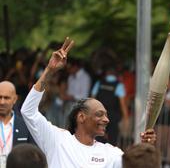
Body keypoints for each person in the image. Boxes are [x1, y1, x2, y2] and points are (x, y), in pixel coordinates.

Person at [21, 37, 156, 168]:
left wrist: (146, 147)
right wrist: (49, 71)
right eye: (100, 114)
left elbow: (135, 164)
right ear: (81, 117)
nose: (106, 120)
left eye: (106, 115)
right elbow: (28, 111)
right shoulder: (56, 139)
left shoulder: (110, 153)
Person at [91, 65, 129, 146]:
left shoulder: (99, 83)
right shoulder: (119, 85)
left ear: (106, 73)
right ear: (116, 74)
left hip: (99, 115)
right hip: (113, 116)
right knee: (112, 139)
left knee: (98, 138)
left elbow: (92, 99)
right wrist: (126, 118)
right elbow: (122, 104)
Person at [0, 81, 35, 167]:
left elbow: (34, 155)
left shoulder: (25, 126)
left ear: (15, 99)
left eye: (6, 98)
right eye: (0, 97)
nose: (2, 102)